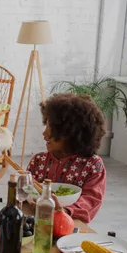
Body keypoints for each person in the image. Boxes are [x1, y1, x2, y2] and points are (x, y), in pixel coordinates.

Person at [27, 93, 106, 223]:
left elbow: (91, 200)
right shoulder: (38, 160)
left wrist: (65, 211)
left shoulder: (93, 165)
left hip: (71, 225)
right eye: (46, 126)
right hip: (37, 222)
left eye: (51, 128)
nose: (44, 133)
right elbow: (29, 192)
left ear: (71, 133)